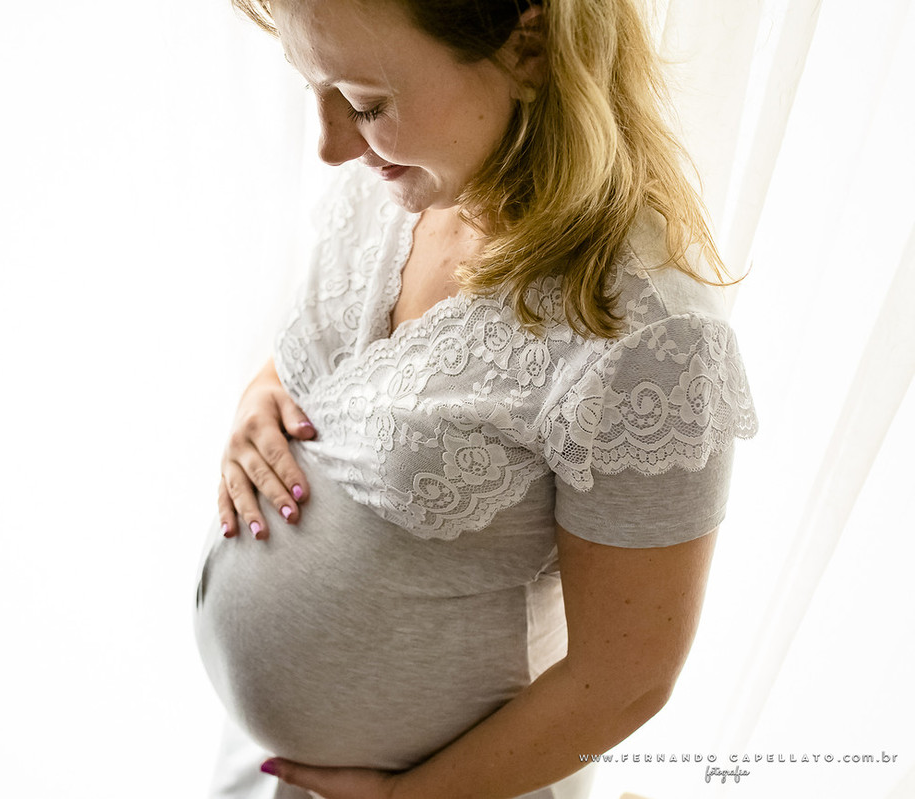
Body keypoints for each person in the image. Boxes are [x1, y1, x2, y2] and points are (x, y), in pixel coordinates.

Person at [193, 0, 757, 797]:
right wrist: (260, 399)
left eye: (364, 105)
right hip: (273, 758)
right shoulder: (402, 184)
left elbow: (627, 676)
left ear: (525, 46)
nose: (329, 147)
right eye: (311, 87)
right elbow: (335, 361)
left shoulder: (643, 335)